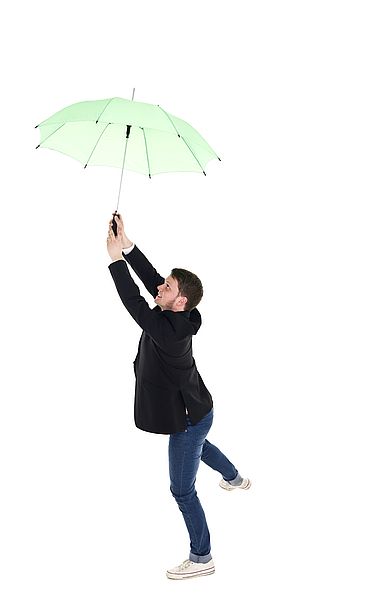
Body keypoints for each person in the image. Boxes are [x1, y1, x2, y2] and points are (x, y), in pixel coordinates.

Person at [106, 213, 251, 580]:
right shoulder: (178, 311)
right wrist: (127, 244)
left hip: (188, 419)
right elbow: (152, 282)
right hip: (200, 410)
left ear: (180, 300)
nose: (160, 289)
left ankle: (202, 557)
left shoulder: (169, 331)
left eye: (167, 288)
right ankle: (234, 479)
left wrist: (113, 261)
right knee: (201, 447)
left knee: (182, 490)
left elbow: (135, 303)